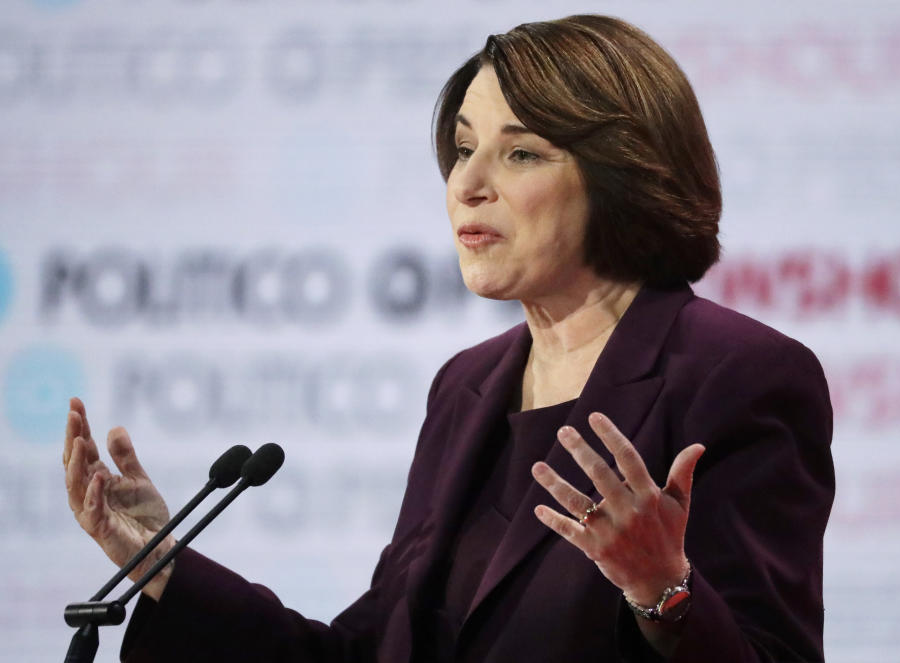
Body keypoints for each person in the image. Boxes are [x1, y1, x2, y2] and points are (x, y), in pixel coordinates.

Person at [63, 14, 834, 663]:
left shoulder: (739, 376)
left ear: (622, 173)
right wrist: (165, 563)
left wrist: (664, 594)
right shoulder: (465, 386)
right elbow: (369, 649)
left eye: (521, 152)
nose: (467, 182)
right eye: (464, 147)